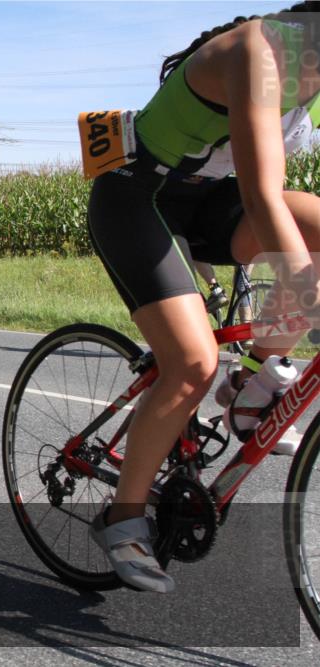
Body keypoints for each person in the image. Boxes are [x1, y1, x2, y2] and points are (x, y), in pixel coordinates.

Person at [86, 4, 320, 593]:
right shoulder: (259, 52)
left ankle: (253, 384)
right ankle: (123, 518)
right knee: (191, 364)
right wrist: (307, 296)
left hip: (215, 203)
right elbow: (265, 196)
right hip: (140, 198)